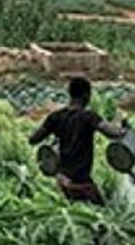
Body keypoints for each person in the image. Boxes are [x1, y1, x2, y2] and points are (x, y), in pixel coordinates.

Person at [29, 77, 126, 205]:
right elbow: (112, 133)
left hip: (62, 180)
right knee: (103, 213)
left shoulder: (56, 117)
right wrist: (123, 129)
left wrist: (51, 136)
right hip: (82, 181)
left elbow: (33, 139)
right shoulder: (88, 117)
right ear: (86, 95)